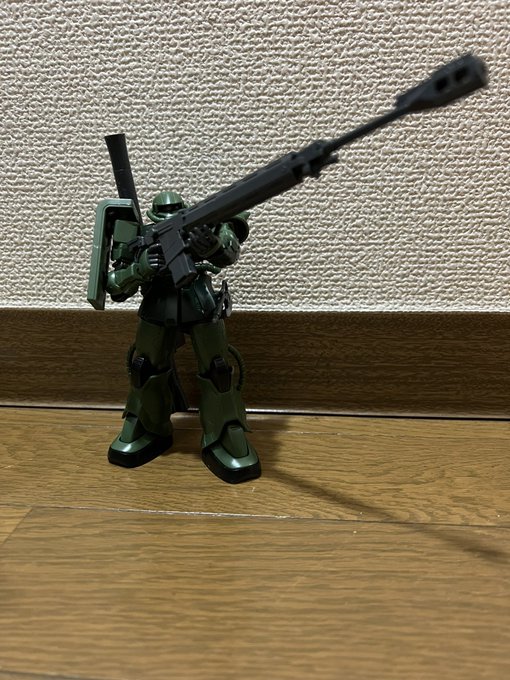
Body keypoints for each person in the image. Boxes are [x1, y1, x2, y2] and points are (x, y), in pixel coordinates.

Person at [105, 190, 261, 484]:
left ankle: (224, 433)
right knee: (143, 369)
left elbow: (230, 253)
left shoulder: (203, 225)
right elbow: (114, 286)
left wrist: (213, 245)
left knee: (218, 372)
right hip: (157, 305)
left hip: (199, 303)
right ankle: (147, 425)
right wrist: (140, 268)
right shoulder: (137, 233)